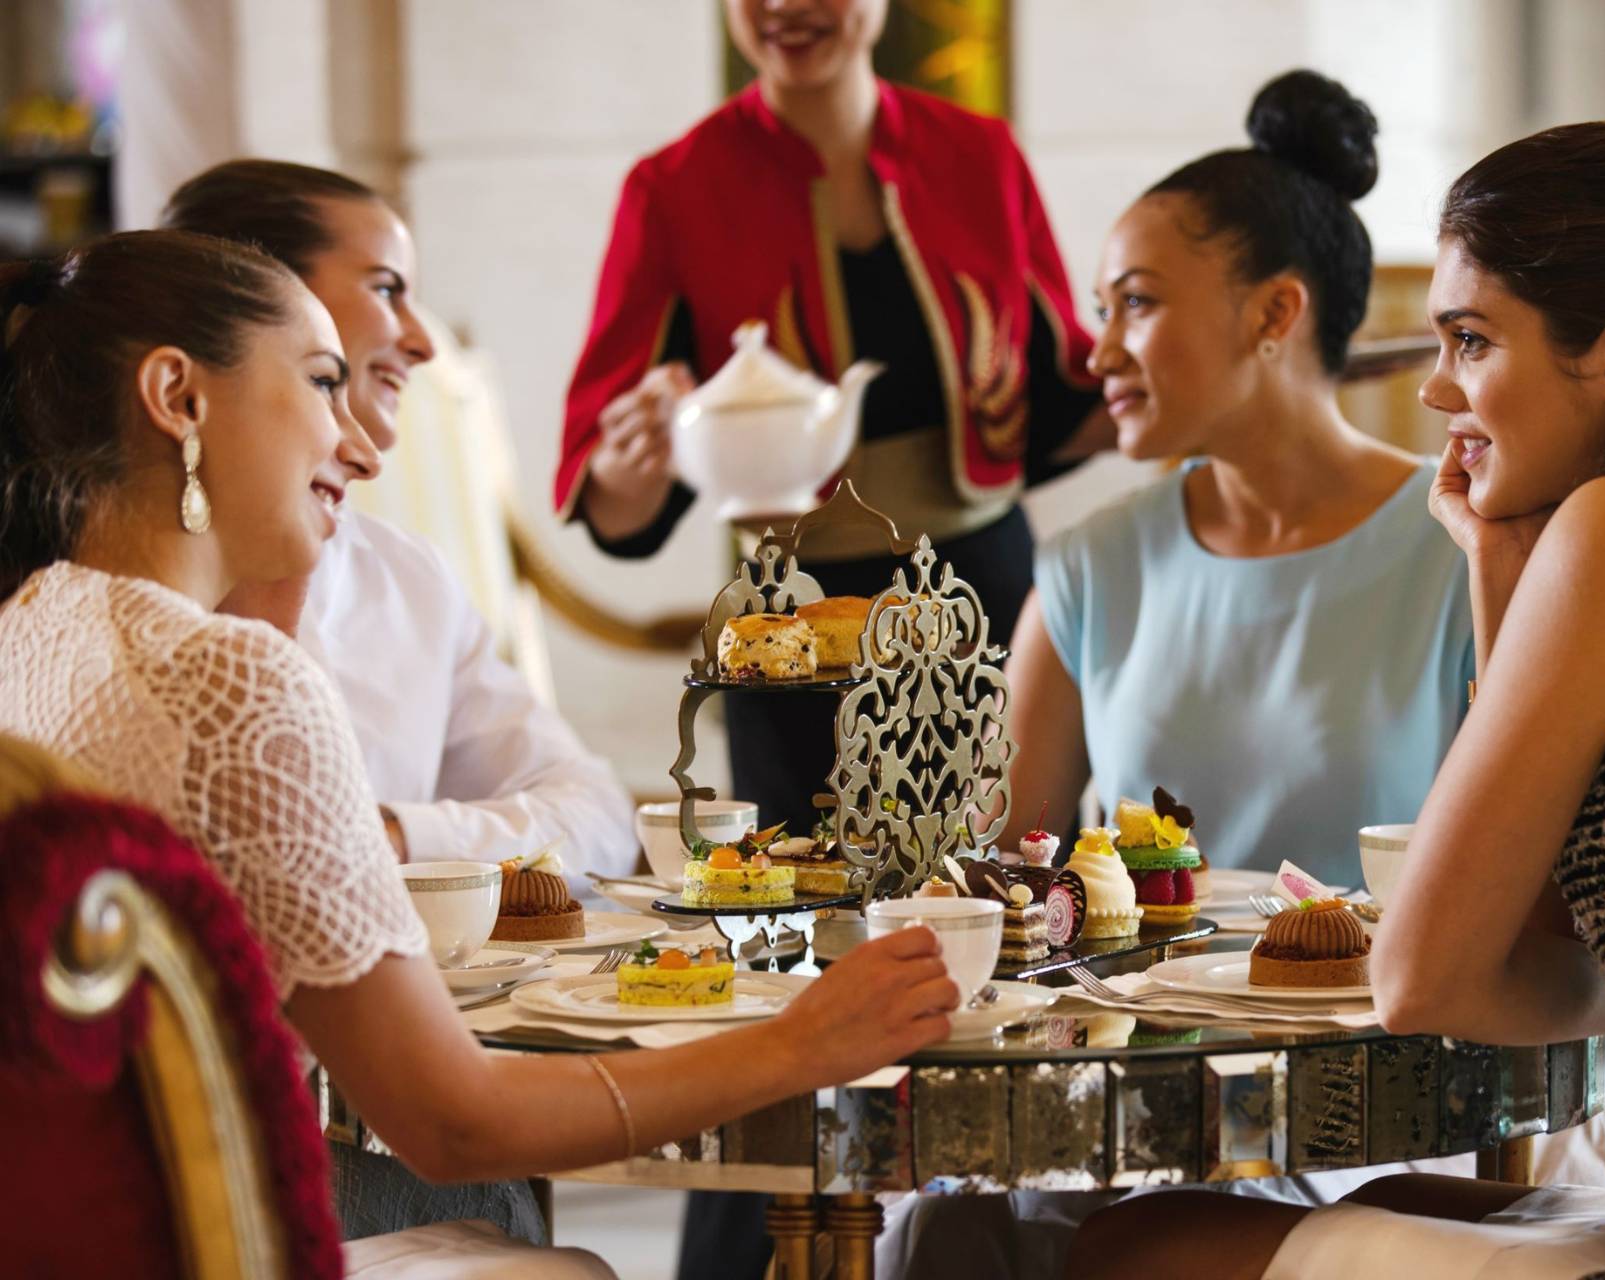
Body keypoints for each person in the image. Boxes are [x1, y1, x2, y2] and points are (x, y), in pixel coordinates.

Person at [0, 231, 961, 1275]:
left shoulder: (32, 631)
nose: (361, 446)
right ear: (179, 397)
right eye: (321, 382)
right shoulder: (231, 683)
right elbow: (455, 1123)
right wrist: (801, 1041)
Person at [1066, 120, 1605, 1279]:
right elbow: (1556, 958)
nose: (1434, 388)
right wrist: (1497, 567)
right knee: (1390, 1191)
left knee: (1133, 1243)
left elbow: (1427, 978)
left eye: (1471, 339)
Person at [559, 0, 1109, 837]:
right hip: (792, 624)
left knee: (1018, 882)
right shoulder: (673, 188)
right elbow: (616, 507)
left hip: (983, 602)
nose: (786, 6)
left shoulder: (981, 154)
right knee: (803, 892)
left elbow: (1062, 395)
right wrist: (629, 458)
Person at [1008, 68, 1471, 889]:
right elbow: (1003, 876)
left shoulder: (1462, 548)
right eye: (1103, 310)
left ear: (1274, 313)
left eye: (1137, 304)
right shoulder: (1088, 570)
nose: (1100, 353)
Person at [159, 160, 638, 890]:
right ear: (255, 300)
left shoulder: (409, 577)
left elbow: (599, 817)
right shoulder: (120, 596)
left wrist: (396, 837)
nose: (424, 342)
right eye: (386, 289)